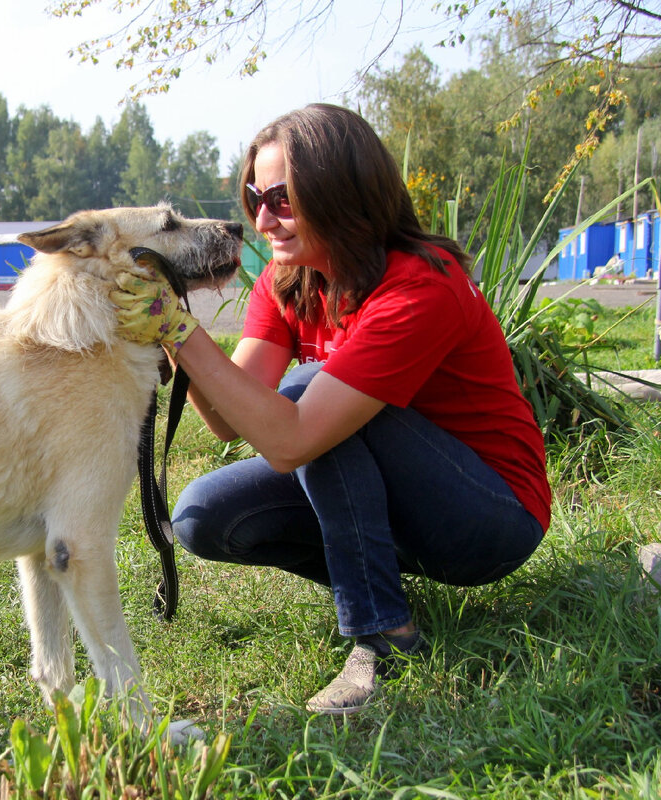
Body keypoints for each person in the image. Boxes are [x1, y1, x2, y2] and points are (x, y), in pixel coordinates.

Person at [109, 104, 549, 716]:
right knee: (202, 515)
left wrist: (184, 334)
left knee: (311, 396)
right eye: (255, 197)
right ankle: (378, 586)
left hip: (489, 517)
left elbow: (290, 440)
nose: (263, 218)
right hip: (401, 502)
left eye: (283, 198)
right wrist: (168, 333)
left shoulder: (422, 284)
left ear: (341, 188)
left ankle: (383, 633)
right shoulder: (288, 280)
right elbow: (231, 421)